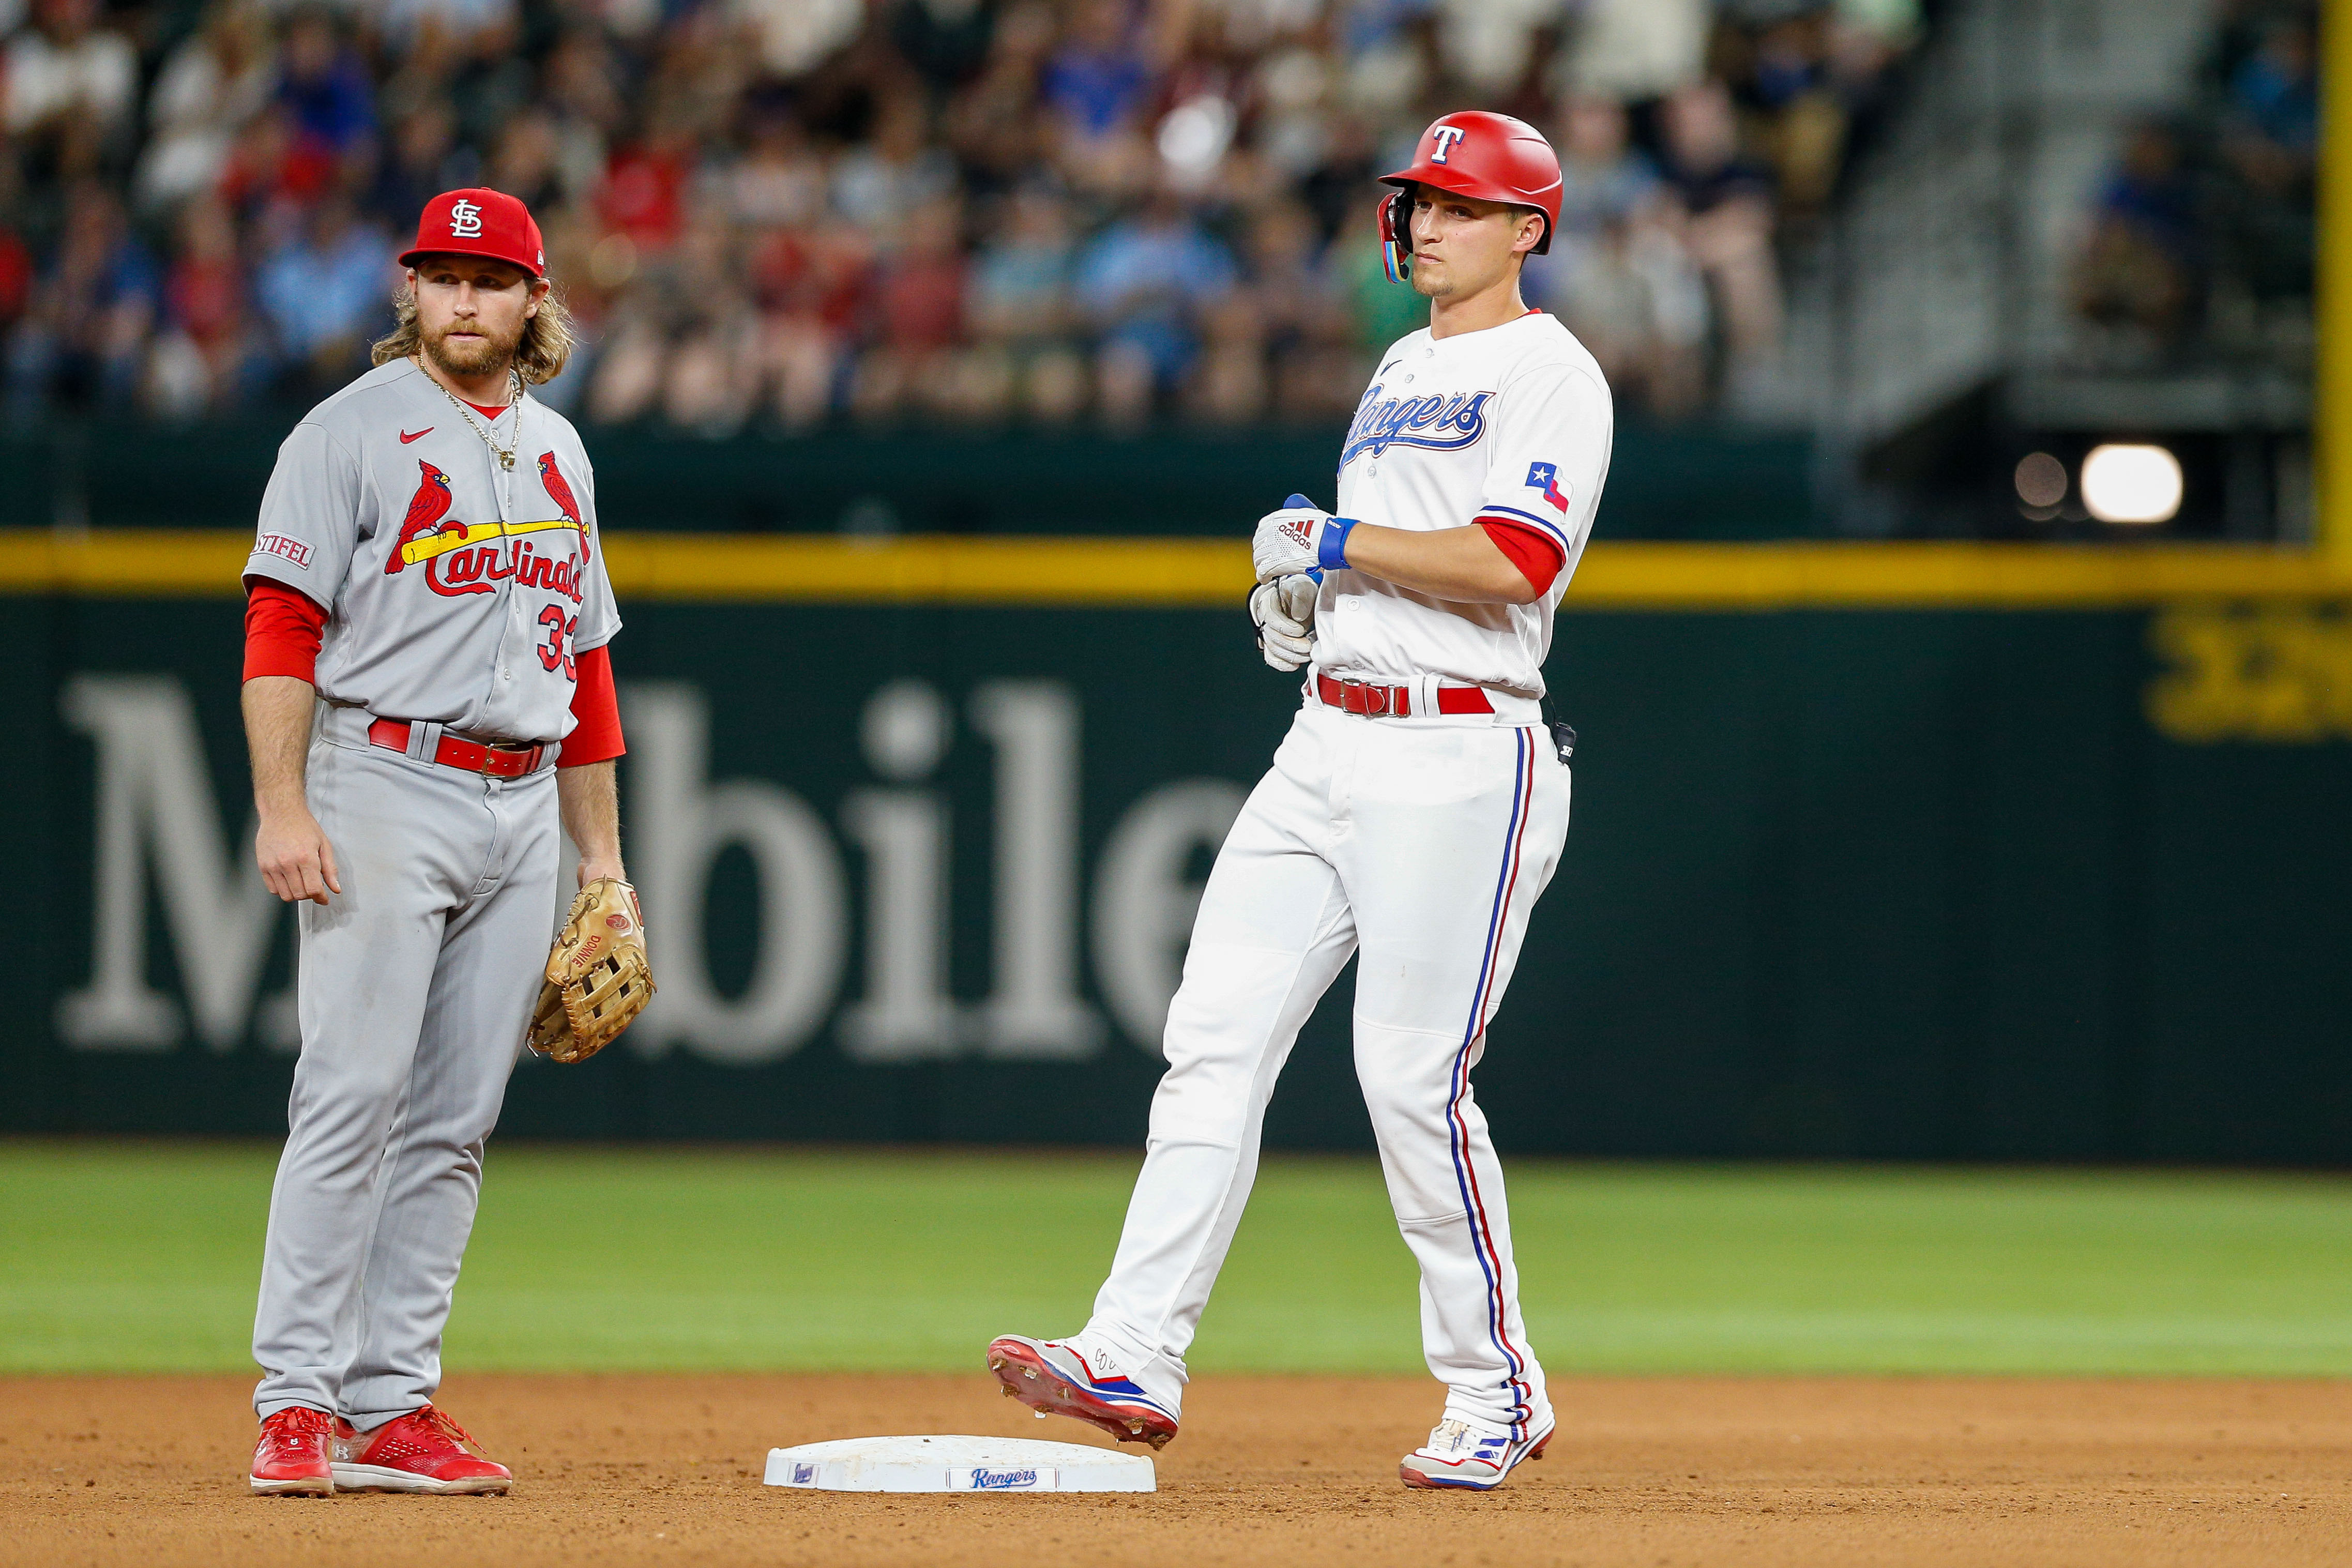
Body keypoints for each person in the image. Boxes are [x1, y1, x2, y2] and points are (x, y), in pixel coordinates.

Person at [989, 110, 1610, 1494]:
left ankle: (1493, 1389)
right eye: (1417, 201)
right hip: (1325, 740)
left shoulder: (1550, 369)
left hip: (1460, 752)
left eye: (1457, 205)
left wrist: (1331, 540)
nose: (1424, 223)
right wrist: (1317, 599)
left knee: (1408, 1079)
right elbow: (1391, 556)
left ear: (1525, 230)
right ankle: (1133, 1350)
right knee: (1207, 1038)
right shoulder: (1396, 362)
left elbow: (1512, 559)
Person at [240, 187, 628, 1497]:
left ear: (534, 300)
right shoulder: (343, 432)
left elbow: (588, 669)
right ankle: (295, 1399)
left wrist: (605, 866)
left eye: (490, 279)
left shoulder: (563, 452)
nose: (464, 301)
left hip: (525, 801)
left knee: (455, 1119)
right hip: (382, 777)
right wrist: (283, 805)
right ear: (410, 292)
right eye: (441, 278)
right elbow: (281, 627)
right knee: (350, 1095)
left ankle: (390, 1401)